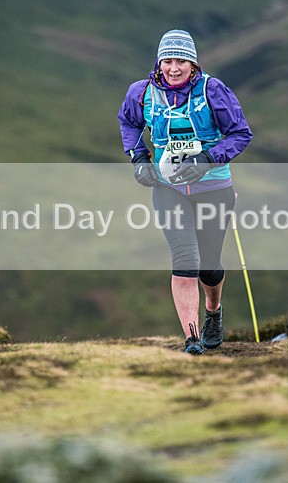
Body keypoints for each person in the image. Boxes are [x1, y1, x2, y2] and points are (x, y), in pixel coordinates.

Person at [118, 29, 253, 354]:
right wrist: (139, 159)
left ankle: (213, 312)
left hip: (214, 187)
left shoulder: (213, 90)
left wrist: (208, 158)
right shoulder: (142, 92)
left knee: (208, 265)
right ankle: (192, 340)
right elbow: (129, 122)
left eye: (181, 60)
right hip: (169, 189)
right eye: (168, 60)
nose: (174, 67)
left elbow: (241, 133)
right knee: (185, 260)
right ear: (159, 61)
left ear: (193, 63)